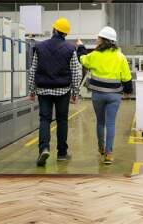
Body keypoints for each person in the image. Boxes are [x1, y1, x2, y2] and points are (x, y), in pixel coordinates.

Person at [28, 18, 82, 167]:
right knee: (62, 120)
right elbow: (76, 72)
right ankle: (62, 154)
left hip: (43, 90)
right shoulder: (70, 49)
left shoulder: (40, 46)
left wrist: (31, 91)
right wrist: (75, 93)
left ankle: (43, 148)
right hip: (63, 91)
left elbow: (33, 70)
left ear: (54, 30)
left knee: (44, 119)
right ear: (65, 33)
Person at [76, 26, 132, 164]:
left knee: (100, 122)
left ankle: (101, 148)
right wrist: (127, 91)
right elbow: (127, 78)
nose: (96, 40)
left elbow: (82, 59)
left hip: (98, 95)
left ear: (103, 40)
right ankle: (108, 154)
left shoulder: (94, 55)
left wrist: (81, 47)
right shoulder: (121, 57)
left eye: (98, 38)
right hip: (114, 96)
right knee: (111, 123)